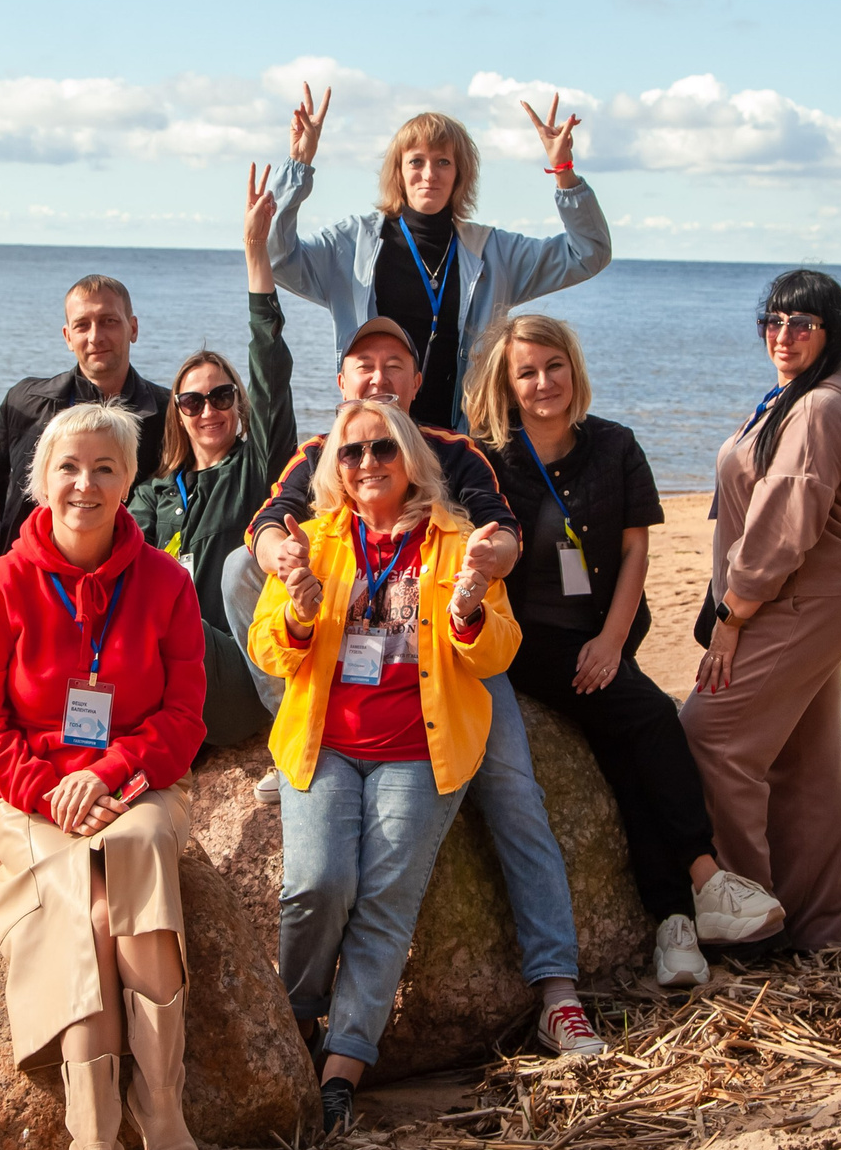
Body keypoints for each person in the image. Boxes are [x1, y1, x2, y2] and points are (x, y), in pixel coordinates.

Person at [243, 319, 604, 1059]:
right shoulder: (322, 454)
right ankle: (299, 756)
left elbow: (503, 531)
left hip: (449, 646)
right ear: (342, 381)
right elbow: (267, 523)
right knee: (232, 577)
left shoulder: (452, 450)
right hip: (342, 685)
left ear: (415, 381)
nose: (377, 380)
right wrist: (286, 557)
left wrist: (479, 569)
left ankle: (557, 989)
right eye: (363, 366)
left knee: (512, 791)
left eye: (394, 365)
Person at [462, 315, 779, 988]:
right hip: (531, 642)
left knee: (627, 757)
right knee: (652, 720)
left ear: (573, 368)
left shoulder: (615, 445)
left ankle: (675, 927)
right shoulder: (489, 459)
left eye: (555, 364)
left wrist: (611, 639)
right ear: (507, 384)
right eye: (527, 371)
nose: (544, 381)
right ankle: (705, 877)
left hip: (606, 632)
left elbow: (636, 549)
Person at [0, 401, 208, 1150]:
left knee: (136, 860)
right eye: (68, 467)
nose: (85, 484)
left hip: (133, 784)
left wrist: (115, 771)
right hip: (32, 790)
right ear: (40, 481)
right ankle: (94, 1145)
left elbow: (186, 716)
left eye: (104, 468)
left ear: (131, 479)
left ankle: (163, 1120)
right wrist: (42, 789)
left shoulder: (166, 580)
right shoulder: (2, 584)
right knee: (88, 915)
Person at [247, 399, 518, 1137]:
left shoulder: (458, 538)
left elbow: (497, 651)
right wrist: (299, 614)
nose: (368, 464)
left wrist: (468, 608)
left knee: (385, 902)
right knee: (316, 884)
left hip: (420, 750)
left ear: (410, 459)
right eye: (352, 452)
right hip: (324, 741)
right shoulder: (315, 539)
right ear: (335, 466)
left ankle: (344, 1064)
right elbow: (268, 647)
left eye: (382, 449)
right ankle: (300, 1015)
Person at [682, 272, 841, 957]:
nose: (783, 335)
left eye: (802, 323)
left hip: (791, 600)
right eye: (773, 320)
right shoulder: (803, 396)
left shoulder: (821, 407)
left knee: (711, 736)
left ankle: (752, 923)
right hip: (812, 598)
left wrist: (732, 616)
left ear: (832, 331)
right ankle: (818, 933)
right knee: (803, 767)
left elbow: (783, 523)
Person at [267, 87, 611, 431]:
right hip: (376, 439)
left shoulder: (494, 252)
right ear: (398, 171)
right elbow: (274, 256)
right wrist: (298, 165)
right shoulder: (350, 245)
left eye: (443, 162)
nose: (429, 174)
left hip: (462, 445)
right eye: (416, 161)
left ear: (460, 174)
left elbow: (588, 252)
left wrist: (563, 171)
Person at [129, 166, 298, 748]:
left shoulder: (257, 468)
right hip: (164, 677)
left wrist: (256, 252)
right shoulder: (154, 493)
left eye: (221, 395)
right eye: (193, 400)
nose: (209, 410)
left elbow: (271, 367)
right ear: (177, 412)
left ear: (238, 402)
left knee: (170, 616)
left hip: (233, 670)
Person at [0, 276, 172, 545]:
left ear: (133, 328)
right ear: (68, 337)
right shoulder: (25, 402)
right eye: (82, 325)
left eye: (109, 321)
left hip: (124, 578)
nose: (95, 337)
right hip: (29, 573)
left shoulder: (170, 412)